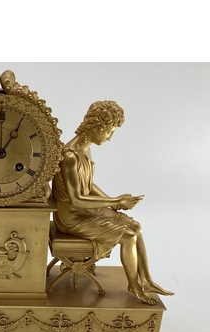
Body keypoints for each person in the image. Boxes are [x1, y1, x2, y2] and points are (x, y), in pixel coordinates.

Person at [52, 100, 173, 305]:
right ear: (98, 127)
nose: (109, 138)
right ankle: (133, 285)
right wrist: (116, 200)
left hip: (84, 210)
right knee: (128, 236)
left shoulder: (85, 149)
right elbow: (77, 199)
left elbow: (88, 185)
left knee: (135, 225)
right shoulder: (69, 156)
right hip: (71, 217)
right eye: (110, 132)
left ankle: (147, 280)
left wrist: (113, 204)